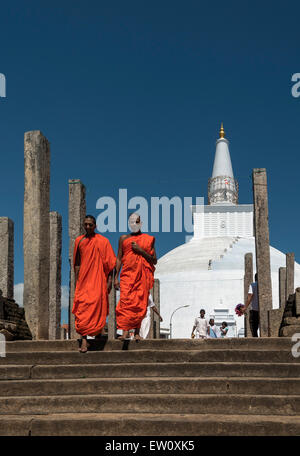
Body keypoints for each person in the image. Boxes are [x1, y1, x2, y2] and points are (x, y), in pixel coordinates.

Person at [72, 215, 116, 352]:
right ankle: (84, 341)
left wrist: (109, 281)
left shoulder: (103, 241)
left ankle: (97, 334)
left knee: (97, 307)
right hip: (84, 281)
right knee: (82, 309)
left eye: (90, 225)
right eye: (85, 224)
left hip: (98, 280)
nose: (88, 227)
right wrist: (77, 279)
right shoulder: (79, 241)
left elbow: (111, 264)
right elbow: (77, 262)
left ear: (95, 226)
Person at [114, 213, 157, 340]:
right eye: (132, 222)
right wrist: (116, 277)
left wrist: (141, 251)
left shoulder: (148, 239)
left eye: (137, 221)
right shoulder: (123, 238)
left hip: (141, 276)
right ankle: (125, 332)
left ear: (141, 223)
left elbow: (154, 260)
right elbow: (119, 258)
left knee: (140, 304)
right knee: (125, 302)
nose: (135, 224)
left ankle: (137, 332)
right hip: (127, 275)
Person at [241, 273, 259, 337]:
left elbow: (250, 296)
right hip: (263, 311)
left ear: (255, 278)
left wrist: (245, 307)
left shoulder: (253, 285)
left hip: (255, 310)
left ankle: (257, 343)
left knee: (254, 329)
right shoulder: (265, 285)